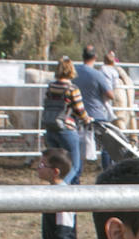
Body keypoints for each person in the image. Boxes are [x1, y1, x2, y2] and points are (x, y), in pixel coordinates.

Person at [41, 57, 92, 186]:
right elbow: (79, 110)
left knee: (55, 165)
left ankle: (55, 189)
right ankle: (64, 190)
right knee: (74, 165)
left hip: (51, 128)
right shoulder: (72, 88)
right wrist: (87, 119)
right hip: (66, 129)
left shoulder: (51, 86)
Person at [73, 45, 115, 173]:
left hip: (77, 114)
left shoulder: (74, 72)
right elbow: (110, 95)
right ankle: (107, 171)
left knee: (77, 148)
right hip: (96, 114)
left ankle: (76, 175)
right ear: (95, 57)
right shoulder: (97, 74)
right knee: (107, 144)